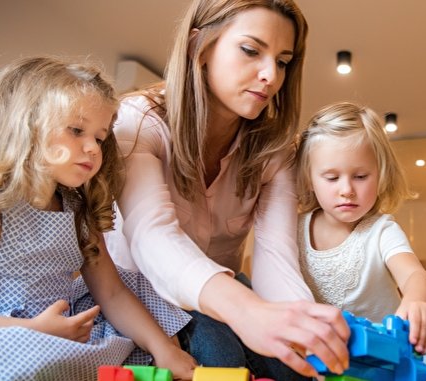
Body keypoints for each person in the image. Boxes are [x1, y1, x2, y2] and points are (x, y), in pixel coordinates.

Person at [104, 0, 349, 379]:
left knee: (296, 366)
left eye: (283, 61)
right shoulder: (139, 123)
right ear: (198, 48)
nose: (271, 75)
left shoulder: (275, 149)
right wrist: (247, 311)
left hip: (226, 297)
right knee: (220, 356)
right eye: (251, 51)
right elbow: (152, 237)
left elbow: (276, 259)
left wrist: (308, 339)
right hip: (140, 299)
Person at [0, 56, 196, 380]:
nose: (92, 148)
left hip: (62, 332)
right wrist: (31, 330)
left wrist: (163, 349)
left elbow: (113, 293)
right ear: (27, 127)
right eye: (77, 130)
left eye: (99, 137)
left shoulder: (77, 211)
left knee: (142, 292)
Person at [294, 101, 426, 364]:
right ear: (308, 178)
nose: (347, 189)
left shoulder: (382, 230)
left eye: (360, 176)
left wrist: (418, 302)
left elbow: (414, 275)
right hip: (330, 358)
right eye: (332, 178)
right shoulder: (293, 230)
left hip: (396, 351)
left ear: (381, 175)